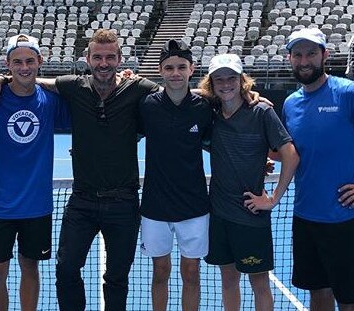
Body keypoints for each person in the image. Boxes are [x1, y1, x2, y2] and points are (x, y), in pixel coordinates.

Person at [0, 29, 160, 311]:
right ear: (87, 58)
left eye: (110, 57)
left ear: (120, 59)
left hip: (123, 201)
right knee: (65, 270)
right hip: (82, 201)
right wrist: (0, 78)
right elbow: (29, 80)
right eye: (97, 57)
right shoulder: (73, 87)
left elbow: (180, 93)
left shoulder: (137, 89)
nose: (103, 63)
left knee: (117, 277)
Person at [0, 34, 70, 311]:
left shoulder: (51, 101)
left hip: (37, 206)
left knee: (31, 269)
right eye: (17, 62)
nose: (24, 67)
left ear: (40, 61)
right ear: (8, 64)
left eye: (29, 60)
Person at [198, 54, 299, 311]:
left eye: (231, 77)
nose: (225, 84)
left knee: (259, 283)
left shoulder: (262, 111)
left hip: (250, 216)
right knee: (228, 280)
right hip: (219, 214)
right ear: (211, 83)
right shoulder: (210, 112)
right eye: (218, 79)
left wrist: (273, 199)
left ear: (241, 80)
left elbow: (290, 154)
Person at [282, 28, 354, 311]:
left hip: (344, 219)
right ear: (290, 59)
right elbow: (291, 152)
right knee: (318, 294)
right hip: (305, 217)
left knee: (348, 300)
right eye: (297, 54)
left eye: (311, 53)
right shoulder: (290, 104)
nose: (304, 61)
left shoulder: (347, 93)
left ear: (324, 55)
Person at [138, 39, 212, 311]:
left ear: (192, 69)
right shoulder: (147, 106)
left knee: (191, 272)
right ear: (161, 71)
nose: (176, 73)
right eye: (169, 68)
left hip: (194, 205)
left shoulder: (204, 108)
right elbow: (120, 137)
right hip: (155, 205)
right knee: (160, 271)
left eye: (181, 67)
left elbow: (222, 143)